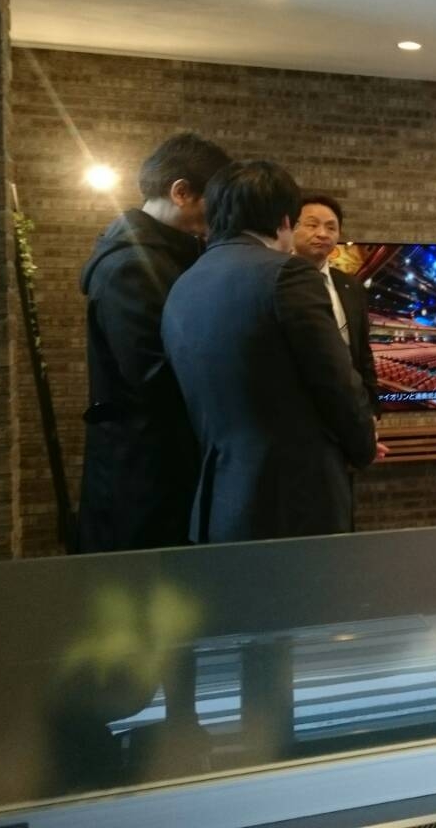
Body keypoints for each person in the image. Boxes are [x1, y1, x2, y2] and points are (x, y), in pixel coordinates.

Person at [162, 160, 378, 542]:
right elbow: (335, 379)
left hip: (219, 497)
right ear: (284, 220)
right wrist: (363, 446)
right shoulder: (287, 274)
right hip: (293, 501)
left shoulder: (185, 283)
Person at [77, 131, 232, 552]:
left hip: (164, 462)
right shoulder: (131, 264)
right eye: (214, 201)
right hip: (144, 471)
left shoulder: (170, 254)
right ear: (181, 193)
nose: (220, 216)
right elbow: (153, 375)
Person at [291, 194, 380, 414]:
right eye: (312, 225)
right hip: (296, 410)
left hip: (348, 408)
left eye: (331, 227)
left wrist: (371, 408)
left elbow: (363, 352)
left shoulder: (351, 286)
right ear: (291, 227)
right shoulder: (272, 280)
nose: (322, 234)